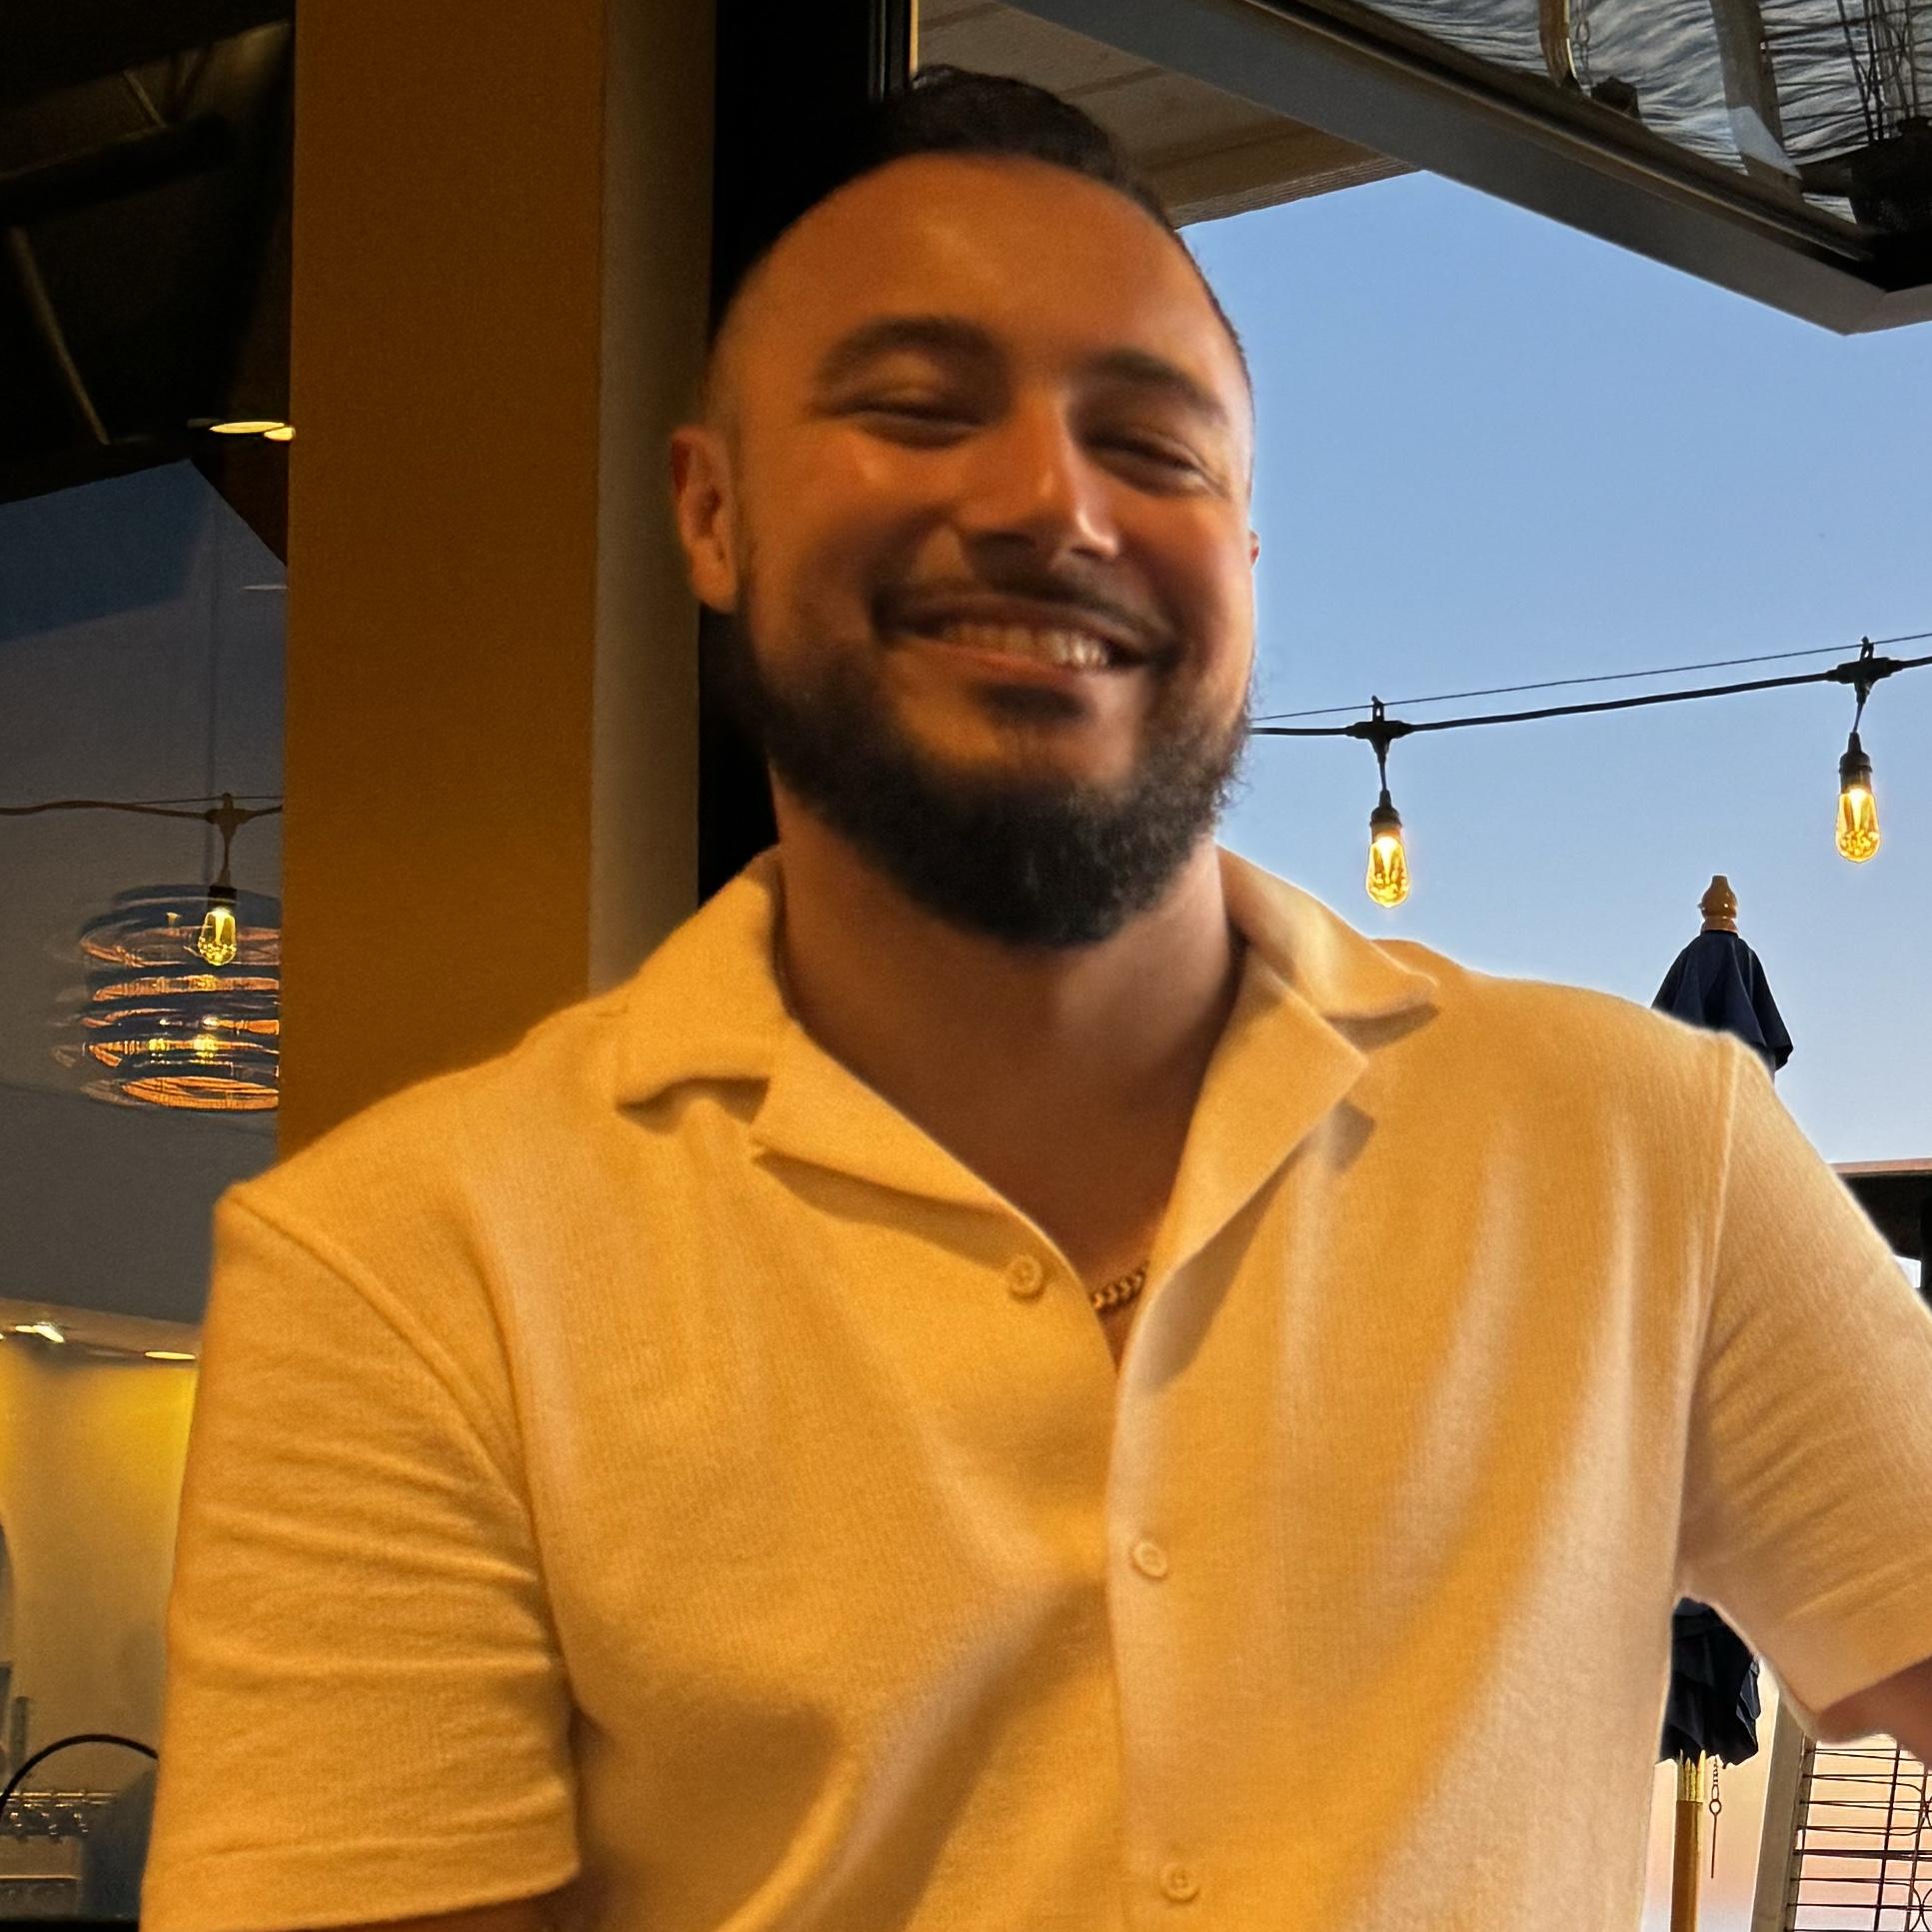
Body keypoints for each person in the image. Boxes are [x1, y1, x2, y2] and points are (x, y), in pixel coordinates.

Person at [142, 67, 1932, 1932]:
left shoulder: (1642, 1150)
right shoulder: (411, 1269)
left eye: (1152, 444)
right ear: (710, 509)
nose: (1050, 503)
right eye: (914, 409)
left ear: (1246, 562)